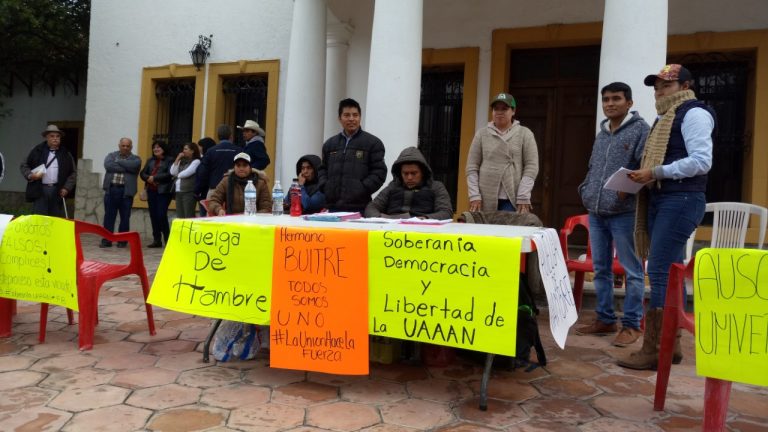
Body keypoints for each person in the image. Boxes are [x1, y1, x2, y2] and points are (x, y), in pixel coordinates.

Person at [619, 64, 715, 370]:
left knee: (659, 269)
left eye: (666, 86)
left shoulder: (693, 114)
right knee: (670, 272)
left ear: (685, 85)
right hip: (663, 198)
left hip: (681, 199)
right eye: (657, 87)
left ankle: (655, 347)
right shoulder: (664, 118)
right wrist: (635, 183)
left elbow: (701, 161)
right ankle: (670, 347)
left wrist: (656, 172)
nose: (660, 91)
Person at [574, 82, 650, 346]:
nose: (610, 104)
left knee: (632, 271)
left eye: (616, 98)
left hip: (624, 213)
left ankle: (632, 325)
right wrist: (585, 190)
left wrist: (625, 191)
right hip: (595, 211)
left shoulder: (641, 130)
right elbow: (594, 166)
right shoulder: (603, 133)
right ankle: (605, 318)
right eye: (605, 99)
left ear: (629, 102)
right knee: (601, 269)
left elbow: (645, 168)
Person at [466, 92, 539, 213]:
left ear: (513, 111)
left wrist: (523, 195)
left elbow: (531, 167)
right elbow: (472, 167)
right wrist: (474, 195)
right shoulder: (482, 134)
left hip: (513, 198)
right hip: (484, 198)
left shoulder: (525, 134)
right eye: (496, 109)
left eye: (504, 109)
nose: (499, 112)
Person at [319, 98, 387, 213]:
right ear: (339, 118)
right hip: (332, 206)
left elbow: (379, 172)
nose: (351, 119)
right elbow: (322, 170)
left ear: (360, 117)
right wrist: (326, 186)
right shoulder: (330, 144)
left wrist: (361, 188)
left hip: (360, 207)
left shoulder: (373, 143)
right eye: (346, 115)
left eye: (355, 115)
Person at [365, 146, 453, 220]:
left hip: (424, 231)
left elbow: (446, 212)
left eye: (414, 173)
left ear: (423, 172)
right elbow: (372, 207)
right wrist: (379, 218)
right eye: (405, 173)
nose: (409, 177)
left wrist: (425, 218)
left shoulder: (436, 187)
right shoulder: (393, 186)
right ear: (400, 173)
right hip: (391, 230)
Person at [20, 124, 77, 217]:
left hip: (57, 191)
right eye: (52, 136)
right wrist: (30, 175)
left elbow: (73, 173)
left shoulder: (66, 153)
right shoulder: (36, 150)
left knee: (56, 219)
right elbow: (24, 165)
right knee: (39, 219)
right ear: (46, 137)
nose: (55, 138)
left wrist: (66, 188)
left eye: (58, 136)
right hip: (40, 190)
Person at [101, 137, 141, 248]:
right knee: (109, 216)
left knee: (125, 217)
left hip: (126, 192)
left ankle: (122, 240)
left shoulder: (136, 159)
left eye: (128, 146)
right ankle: (106, 240)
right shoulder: (111, 156)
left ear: (131, 147)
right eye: (123, 145)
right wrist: (126, 166)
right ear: (119, 145)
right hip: (111, 189)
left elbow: (134, 166)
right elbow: (108, 165)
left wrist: (119, 162)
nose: (125, 148)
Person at [195, 125, 242, 204]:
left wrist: (197, 190)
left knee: (212, 215)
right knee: (233, 216)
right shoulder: (239, 150)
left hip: (214, 189)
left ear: (218, 136)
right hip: (234, 190)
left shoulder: (210, 151)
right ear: (231, 136)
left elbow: (202, 172)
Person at [140, 141, 174, 248]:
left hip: (163, 192)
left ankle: (168, 239)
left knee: (161, 215)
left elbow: (170, 174)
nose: (156, 149)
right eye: (154, 147)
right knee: (153, 215)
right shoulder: (150, 160)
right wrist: (148, 179)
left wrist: (155, 178)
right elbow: (142, 173)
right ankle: (157, 240)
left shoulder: (170, 160)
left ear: (163, 148)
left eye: (158, 147)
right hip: (151, 191)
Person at [170, 142, 201, 219]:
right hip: (178, 191)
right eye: (183, 149)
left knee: (188, 215)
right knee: (180, 216)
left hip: (188, 192)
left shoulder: (196, 161)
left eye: (186, 149)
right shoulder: (181, 161)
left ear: (192, 151)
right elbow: (172, 172)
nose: (183, 151)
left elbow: (187, 173)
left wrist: (177, 175)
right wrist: (177, 158)